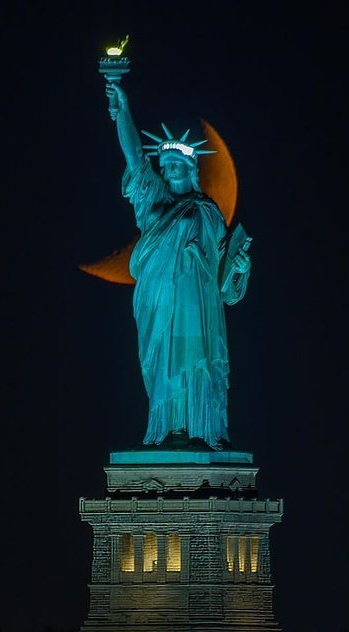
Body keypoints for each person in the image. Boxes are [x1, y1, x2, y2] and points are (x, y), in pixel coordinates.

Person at [106, 81, 251, 450]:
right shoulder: (152, 200)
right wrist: (123, 109)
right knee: (162, 363)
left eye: (175, 163)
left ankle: (199, 428)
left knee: (195, 361)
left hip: (197, 304)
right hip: (159, 300)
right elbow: (135, 158)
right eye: (164, 164)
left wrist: (239, 266)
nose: (167, 169)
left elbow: (224, 283)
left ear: (190, 167)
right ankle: (167, 428)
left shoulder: (208, 213)